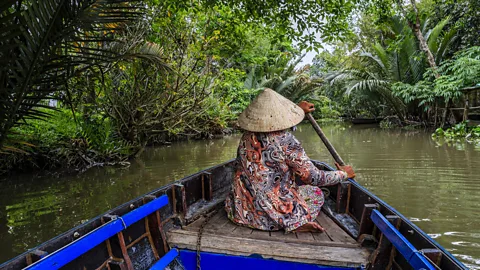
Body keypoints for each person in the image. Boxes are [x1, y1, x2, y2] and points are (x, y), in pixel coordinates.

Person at [224, 88, 355, 233]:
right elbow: (314, 178)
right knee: (316, 193)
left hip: (241, 212)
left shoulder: (246, 137)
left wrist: (299, 110)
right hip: (271, 219)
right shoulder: (287, 141)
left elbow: (274, 132)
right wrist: (343, 174)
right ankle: (295, 223)